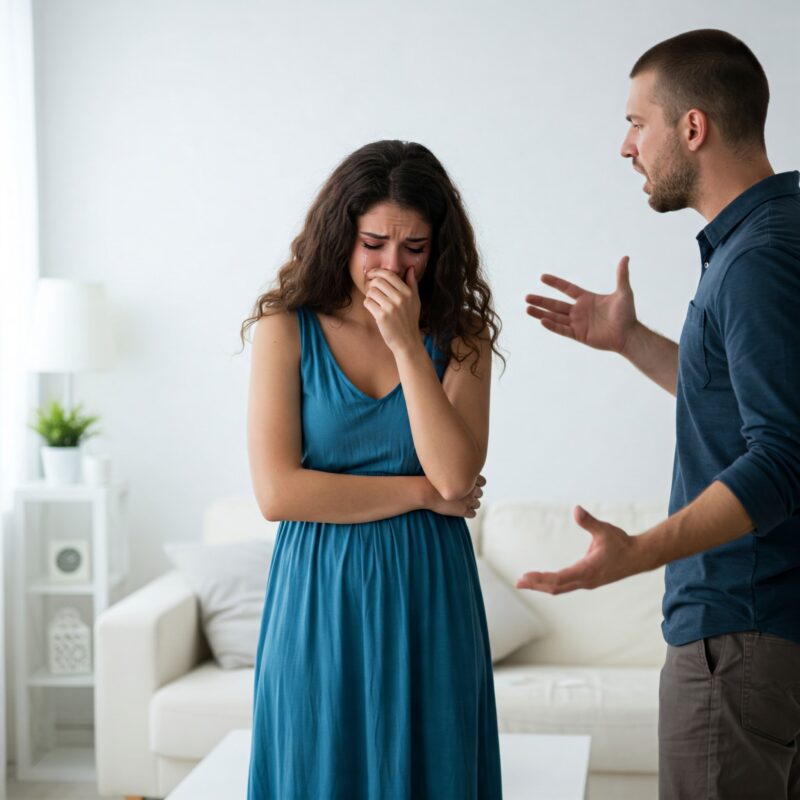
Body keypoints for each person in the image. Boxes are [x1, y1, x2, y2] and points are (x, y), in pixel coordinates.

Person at [518, 29, 800, 799]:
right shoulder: (773, 239)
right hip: (760, 635)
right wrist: (631, 341)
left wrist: (637, 553)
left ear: (693, 127)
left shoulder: (757, 260)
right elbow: (750, 408)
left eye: (636, 123)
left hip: (735, 640)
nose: (625, 146)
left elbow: (782, 458)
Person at [241, 140, 503, 799]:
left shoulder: (463, 338)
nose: (393, 265)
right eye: (375, 243)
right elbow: (278, 493)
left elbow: (455, 476)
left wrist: (408, 345)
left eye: (413, 248)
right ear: (342, 236)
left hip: (430, 593)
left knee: (432, 770)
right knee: (317, 769)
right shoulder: (285, 329)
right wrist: (419, 492)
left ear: (438, 248)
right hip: (318, 593)